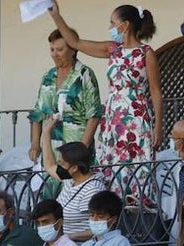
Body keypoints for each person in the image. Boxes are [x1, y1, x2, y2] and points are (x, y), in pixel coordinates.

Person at [48, 2, 163, 186]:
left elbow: (156, 92)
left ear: (124, 25)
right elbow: (75, 42)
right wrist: (56, 16)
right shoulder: (113, 49)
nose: (111, 28)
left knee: (137, 164)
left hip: (137, 116)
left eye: (113, 23)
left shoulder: (146, 53)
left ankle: (137, 206)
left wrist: (158, 127)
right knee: (112, 163)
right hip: (113, 116)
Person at [27, 28, 103, 158]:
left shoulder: (84, 74)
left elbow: (94, 115)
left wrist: (83, 149)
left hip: (75, 148)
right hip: (49, 149)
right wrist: (35, 145)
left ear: (73, 50)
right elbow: (38, 113)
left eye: (60, 50)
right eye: (52, 49)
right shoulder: (48, 76)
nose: (55, 54)